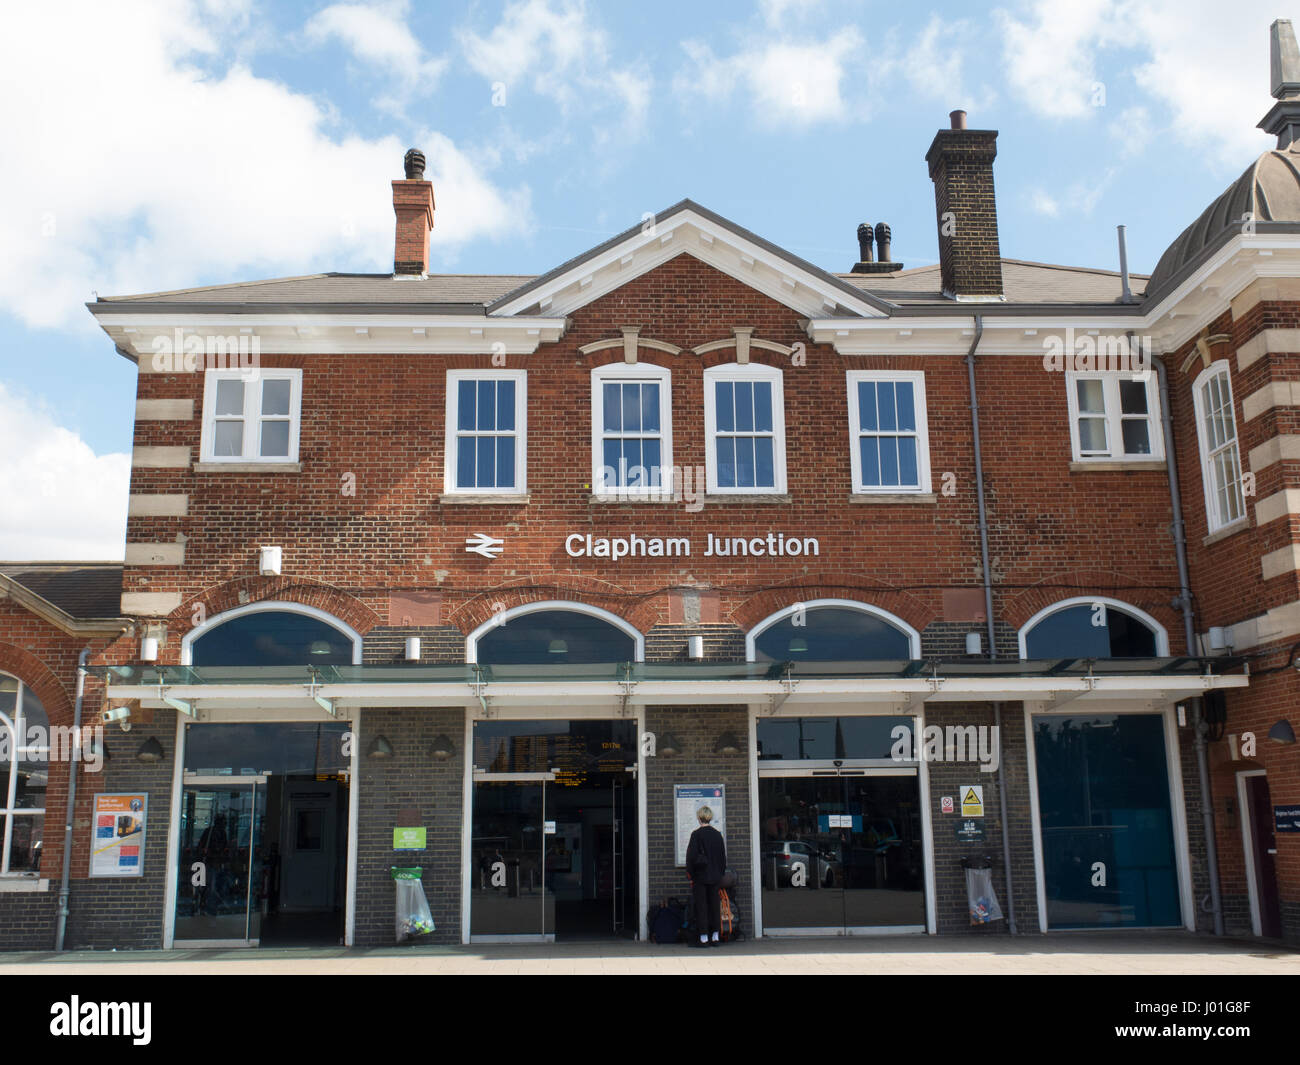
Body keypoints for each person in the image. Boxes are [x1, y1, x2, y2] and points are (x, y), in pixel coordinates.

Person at [685, 806, 727, 947]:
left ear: (699, 818)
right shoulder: (717, 835)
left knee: (701, 907)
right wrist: (719, 873)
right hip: (715, 877)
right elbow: (722, 858)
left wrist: (691, 874)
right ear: (710, 817)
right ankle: (715, 936)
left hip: (700, 877)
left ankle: (703, 938)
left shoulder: (696, 835)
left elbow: (691, 857)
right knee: (715, 906)